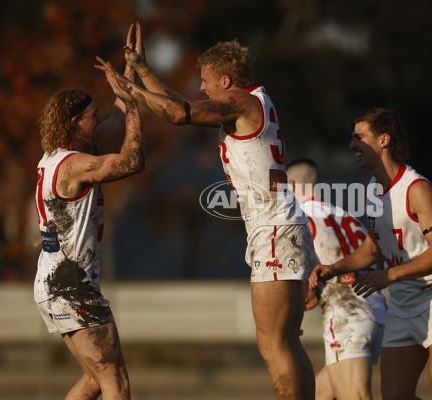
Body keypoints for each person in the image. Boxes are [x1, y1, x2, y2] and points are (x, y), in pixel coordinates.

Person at [106, 22, 317, 399]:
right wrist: (141, 68)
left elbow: (176, 113)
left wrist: (131, 92)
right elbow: (178, 103)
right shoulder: (253, 101)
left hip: (274, 231)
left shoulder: (242, 102)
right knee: (287, 342)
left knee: (273, 345)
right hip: (283, 226)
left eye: (205, 81)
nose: (201, 88)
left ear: (225, 80)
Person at [309, 107, 432, 400]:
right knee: (395, 396)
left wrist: (389, 275)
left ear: (383, 140)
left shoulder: (417, 188)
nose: (352, 145)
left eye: (359, 137)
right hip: (402, 303)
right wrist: (333, 268)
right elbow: (372, 249)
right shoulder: (370, 190)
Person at [34, 50, 144, 399]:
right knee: (117, 382)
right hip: (72, 286)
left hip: (55, 282)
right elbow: (131, 162)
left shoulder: (54, 158)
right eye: (91, 118)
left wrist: (129, 73)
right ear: (74, 123)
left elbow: (116, 115)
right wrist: (137, 106)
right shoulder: (75, 165)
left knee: (95, 379)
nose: (97, 122)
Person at [286, 158, 387, 400]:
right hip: (377, 311)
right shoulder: (346, 216)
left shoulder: (299, 219)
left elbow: (299, 271)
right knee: (318, 395)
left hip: (346, 315)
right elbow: (375, 256)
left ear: (290, 184)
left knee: (356, 396)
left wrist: (292, 315)